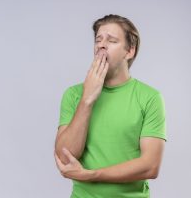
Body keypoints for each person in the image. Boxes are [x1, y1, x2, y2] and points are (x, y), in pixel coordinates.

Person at [54, 14, 167, 198]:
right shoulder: (74, 95)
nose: (102, 45)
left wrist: (92, 175)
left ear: (129, 51)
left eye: (112, 40)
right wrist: (87, 100)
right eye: (98, 40)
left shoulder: (150, 97)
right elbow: (65, 157)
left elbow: (150, 166)